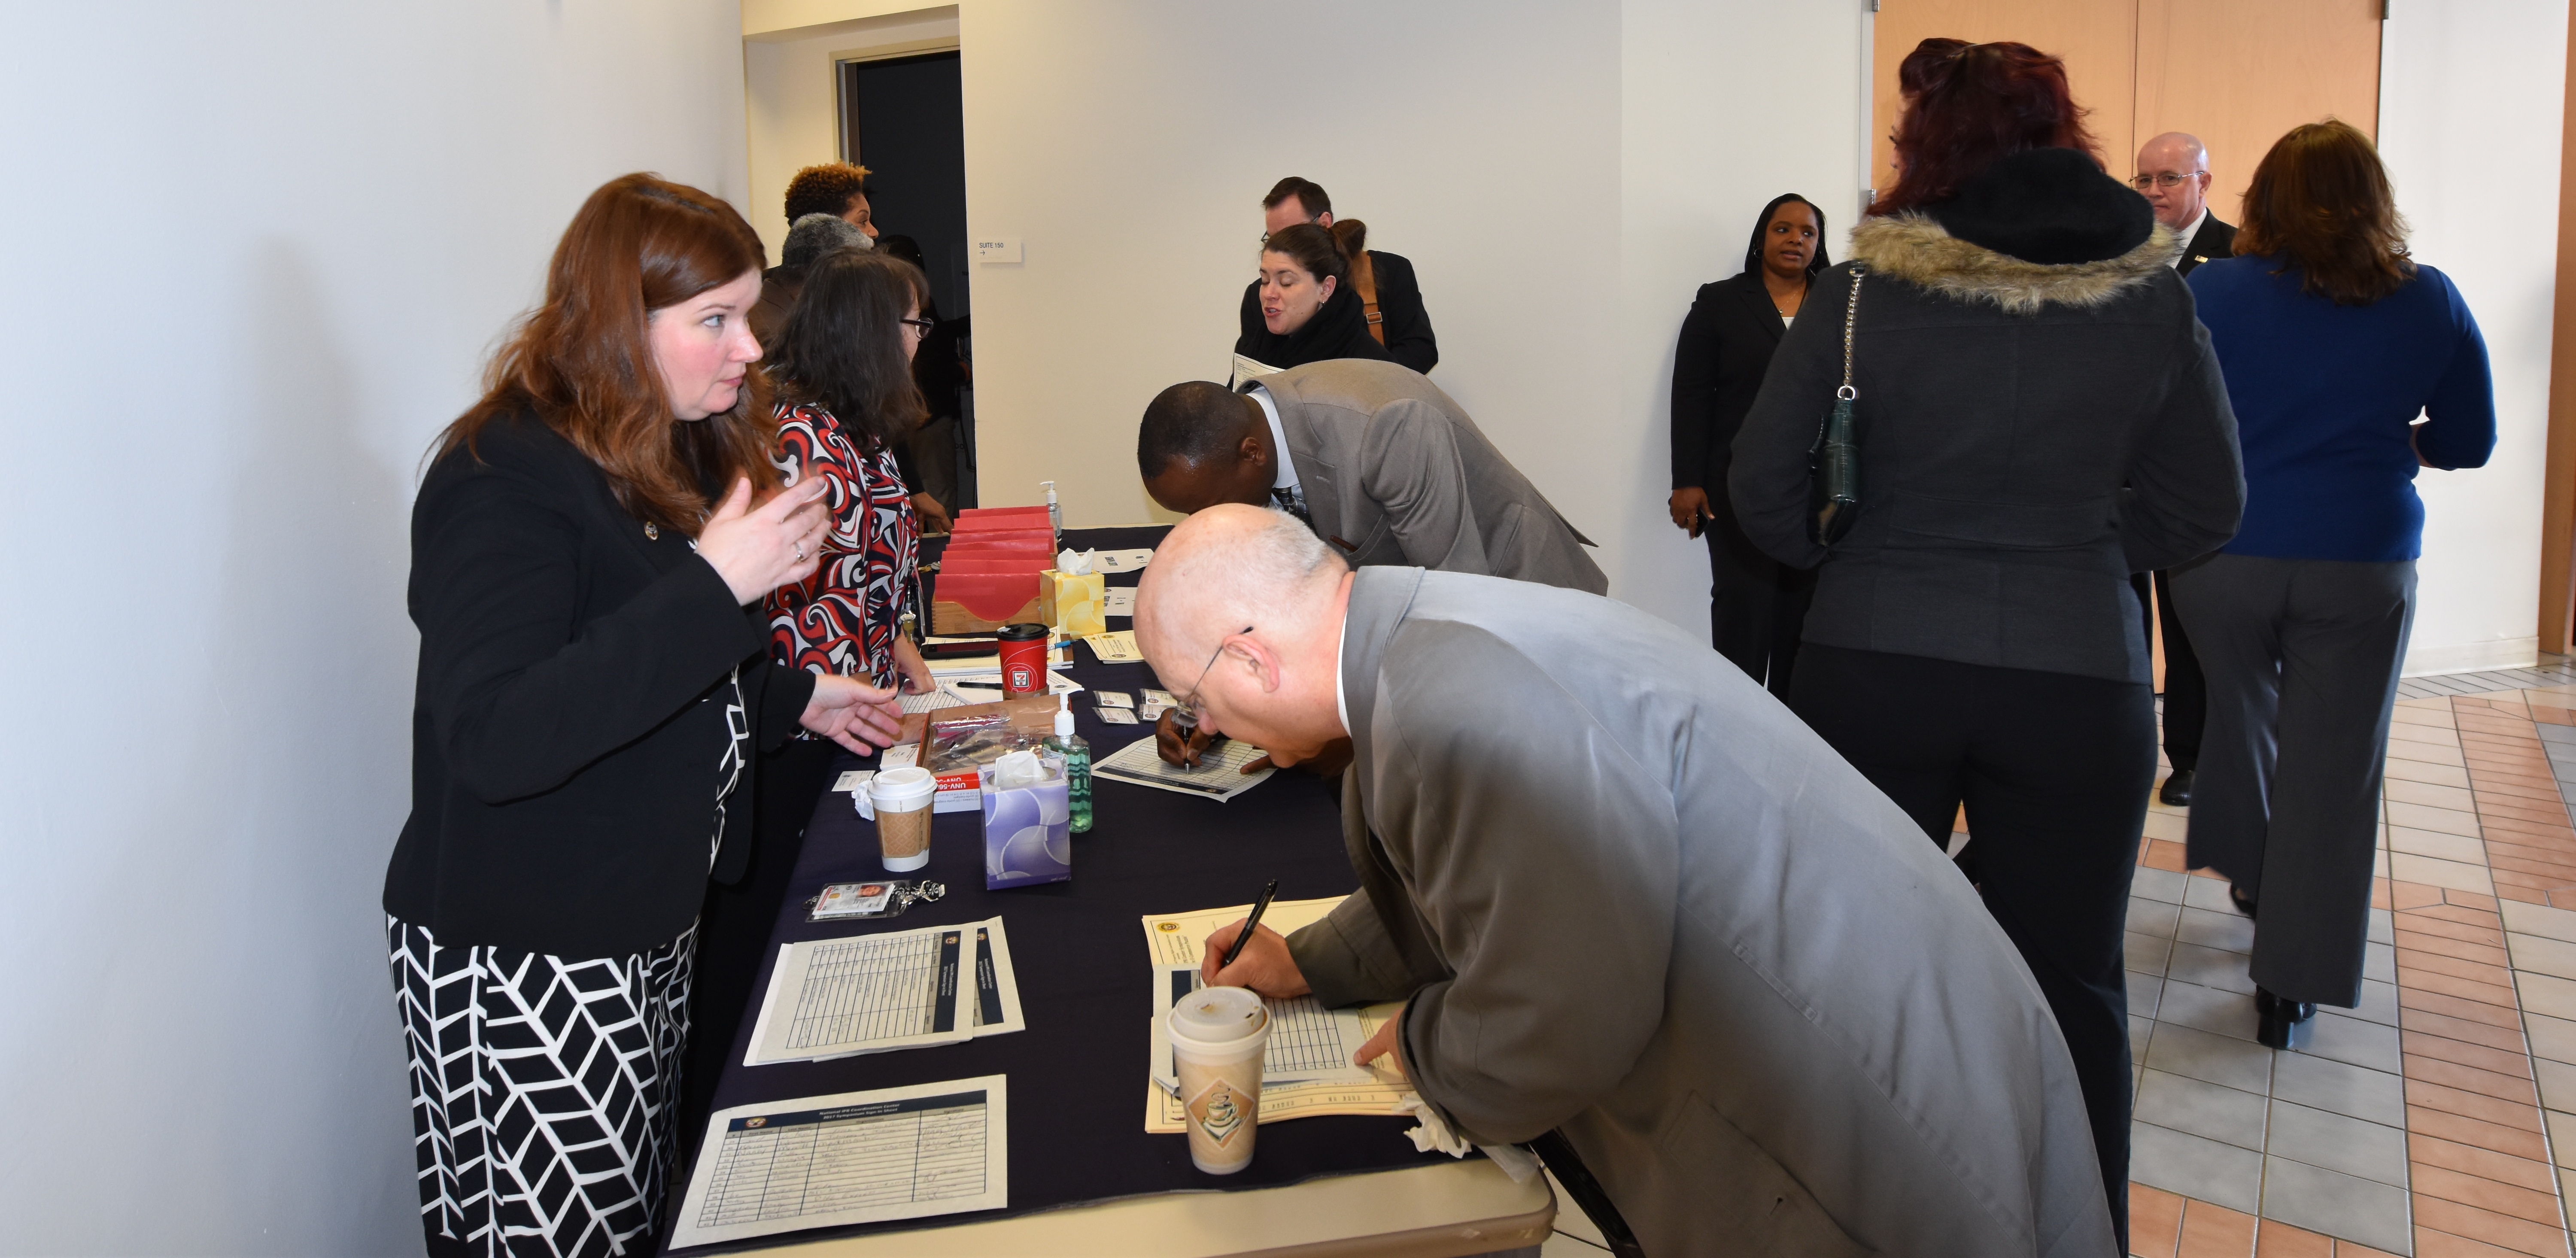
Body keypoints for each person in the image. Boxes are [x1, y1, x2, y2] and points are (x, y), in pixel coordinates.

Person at [1136, 505, 2117, 1257]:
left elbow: (1565, 1012)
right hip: (1898, 1002)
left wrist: (1432, 1052)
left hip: (1865, 1101)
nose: (1206, 729)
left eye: (1193, 697)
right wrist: (1309, 960)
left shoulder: (1451, 697)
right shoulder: (1421, 635)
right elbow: (1484, 862)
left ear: (1251, 655)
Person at [1728, 40, 2244, 1249]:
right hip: (2080, 681)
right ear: (2067, 136)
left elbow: (1760, 489)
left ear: (1929, 146)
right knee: (2073, 987)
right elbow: (2208, 507)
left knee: (1850, 977)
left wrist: (1846, 560)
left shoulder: (1859, 293)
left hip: (1873, 666)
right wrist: (2085, 551)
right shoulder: (2154, 294)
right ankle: (2077, 1230)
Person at [382, 173, 907, 1258]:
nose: (749, 348)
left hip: (639, 923)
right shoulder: (500, 476)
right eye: (713, 321)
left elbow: (646, 670)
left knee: (633, 1216)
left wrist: (801, 694)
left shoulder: (637, 446)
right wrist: (719, 583)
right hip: (531, 955)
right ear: (620, 324)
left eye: (746, 316)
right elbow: (498, 733)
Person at [2178, 119, 2494, 1049]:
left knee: (2243, 718)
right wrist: (2407, 444)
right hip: (2361, 561)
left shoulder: (2211, 291)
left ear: (2261, 200)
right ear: (2375, 197)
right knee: (2334, 769)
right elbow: (2469, 442)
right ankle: (2292, 984)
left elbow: (2167, 416)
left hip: (2222, 558)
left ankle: (2253, 869)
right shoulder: (2427, 298)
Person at [1137, 360, 1603, 592]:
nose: (1204, 521)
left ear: (1252, 454)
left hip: (1521, 603)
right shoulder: (1246, 443)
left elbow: (1453, 600)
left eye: (1206, 506)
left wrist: (1336, 714)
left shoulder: (1386, 428)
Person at [1668, 194, 1831, 692]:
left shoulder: (1840, 307)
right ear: (1762, 238)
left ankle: (1793, 739)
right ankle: (1736, 726)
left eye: (1807, 233)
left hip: (1818, 492)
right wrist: (1688, 481)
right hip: (1735, 487)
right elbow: (1692, 394)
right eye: (1784, 229)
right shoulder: (1720, 301)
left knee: (1803, 619)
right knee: (1744, 605)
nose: (1795, 240)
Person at [2131, 131, 2240, 805]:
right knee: (2122, 604)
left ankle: (2193, 757)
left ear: (2204, 181)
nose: (2152, 193)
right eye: (2142, 180)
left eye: (2167, 179)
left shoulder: (2238, 256)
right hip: (2119, 454)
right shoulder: (2121, 252)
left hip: (2187, 456)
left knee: (2188, 614)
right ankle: (2125, 736)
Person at [1243, 176, 1437, 372]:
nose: (1282, 246)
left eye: (1294, 233)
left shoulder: (1389, 271)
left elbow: (1420, 350)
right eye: (1273, 238)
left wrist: (1376, 381)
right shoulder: (1256, 296)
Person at [1233, 223, 1393, 372]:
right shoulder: (1260, 346)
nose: (1269, 293)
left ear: (1326, 288)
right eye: (1265, 281)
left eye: (1286, 283)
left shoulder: (1369, 365)